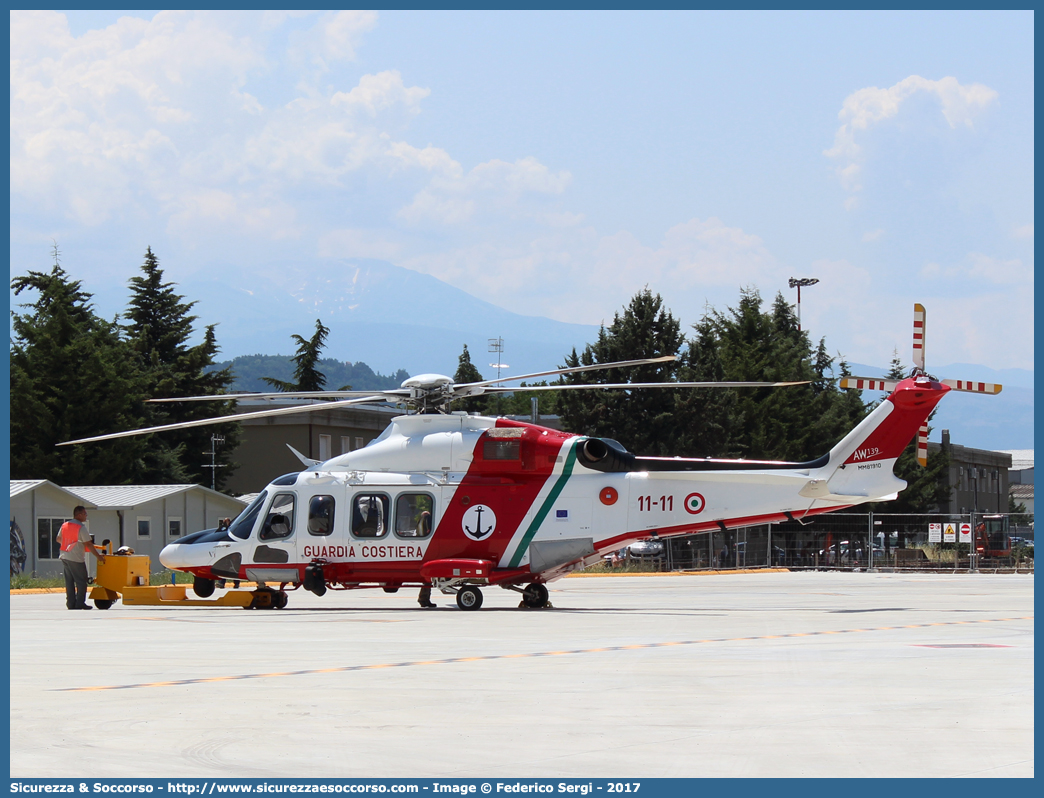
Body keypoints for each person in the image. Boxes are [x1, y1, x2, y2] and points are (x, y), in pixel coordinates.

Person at [58, 506, 106, 611]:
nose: (86, 515)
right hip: (76, 558)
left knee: (69, 581)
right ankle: (80, 603)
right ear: (79, 515)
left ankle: (71, 603)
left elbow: (58, 539)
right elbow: (88, 544)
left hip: (64, 556)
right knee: (81, 581)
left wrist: (69, 544)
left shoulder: (65, 525)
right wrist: (98, 557)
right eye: (85, 513)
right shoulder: (81, 528)